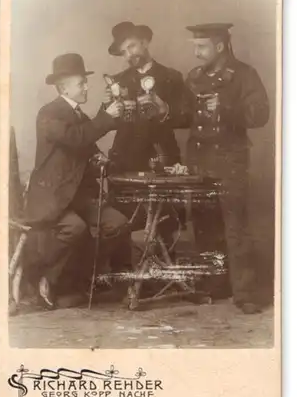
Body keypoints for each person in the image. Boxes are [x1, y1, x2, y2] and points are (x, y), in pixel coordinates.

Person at [176, 23, 270, 314]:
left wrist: (226, 106)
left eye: (201, 46)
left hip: (230, 162)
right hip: (201, 161)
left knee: (236, 228)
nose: (196, 52)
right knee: (205, 227)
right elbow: (185, 116)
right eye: (194, 45)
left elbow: (261, 115)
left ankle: (246, 294)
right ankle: (216, 285)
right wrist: (163, 110)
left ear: (219, 47)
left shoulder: (244, 75)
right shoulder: (195, 77)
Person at [24, 53, 131, 308]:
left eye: (85, 82)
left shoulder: (79, 115)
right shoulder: (48, 113)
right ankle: (41, 275)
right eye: (81, 83)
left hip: (78, 196)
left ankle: (80, 276)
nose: (86, 87)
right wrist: (106, 116)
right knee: (75, 228)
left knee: (118, 223)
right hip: (54, 196)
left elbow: (88, 145)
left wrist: (101, 159)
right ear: (63, 88)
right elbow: (77, 138)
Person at [103, 21, 186, 241]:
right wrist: (108, 108)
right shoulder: (118, 82)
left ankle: (164, 272)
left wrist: (165, 109)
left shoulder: (172, 77)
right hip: (126, 160)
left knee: (166, 225)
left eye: (131, 47)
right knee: (120, 224)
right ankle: (122, 273)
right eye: (123, 52)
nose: (129, 55)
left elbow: (188, 117)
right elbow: (109, 122)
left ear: (145, 42)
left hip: (162, 157)